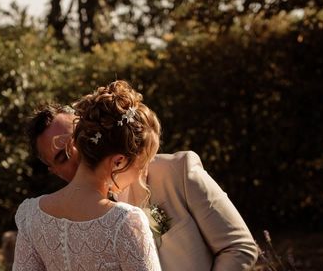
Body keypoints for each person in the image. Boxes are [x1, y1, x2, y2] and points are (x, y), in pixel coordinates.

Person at [27, 82, 259, 271]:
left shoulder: (178, 171)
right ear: (54, 171)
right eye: (62, 157)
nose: (79, 156)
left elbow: (239, 247)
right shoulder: (60, 225)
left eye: (76, 141)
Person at [13, 81, 163, 271]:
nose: (143, 172)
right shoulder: (126, 221)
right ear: (118, 161)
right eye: (142, 166)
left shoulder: (31, 216)